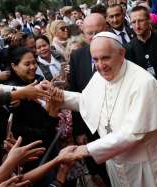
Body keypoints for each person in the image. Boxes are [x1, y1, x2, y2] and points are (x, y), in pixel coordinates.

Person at [45, 31, 157, 187]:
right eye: (96, 59)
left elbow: (132, 134)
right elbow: (87, 101)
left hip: (148, 165)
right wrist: (59, 95)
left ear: (121, 53)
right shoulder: (101, 75)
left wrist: (86, 150)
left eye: (106, 58)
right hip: (116, 161)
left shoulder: (143, 83)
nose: (100, 65)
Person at [68, 13, 111, 186]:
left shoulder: (122, 51)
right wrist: (78, 131)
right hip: (91, 128)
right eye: (90, 33)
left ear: (106, 29)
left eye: (98, 32)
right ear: (84, 33)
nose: (94, 38)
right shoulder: (77, 57)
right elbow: (75, 94)